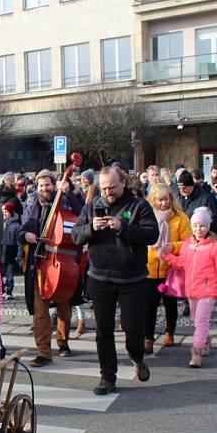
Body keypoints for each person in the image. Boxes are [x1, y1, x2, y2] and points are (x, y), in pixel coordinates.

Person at [72, 166, 158, 395]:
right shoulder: (92, 206)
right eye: (103, 188)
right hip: (100, 277)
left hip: (132, 278)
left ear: (123, 183)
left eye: (111, 187)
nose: (107, 192)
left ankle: (137, 356)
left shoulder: (138, 205)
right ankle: (107, 377)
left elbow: (152, 234)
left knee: (133, 327)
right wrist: (91, 228)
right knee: (103, 331)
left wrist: (123, 227)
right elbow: (75, 235)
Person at [21, 170, 83, 365]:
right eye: (41, 186)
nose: (44, 189)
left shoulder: (66, 201)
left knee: (65, 306)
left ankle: (63, 342)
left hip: (62, 262)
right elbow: (21, 228)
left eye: (48, 185)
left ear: (54, 185)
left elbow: (82, 216)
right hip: (39, 261)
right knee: (41, 310)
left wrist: (69, 194)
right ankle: (44, 352)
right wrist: (26, 236)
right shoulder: (31, 204)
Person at [162, 207, 217, 368]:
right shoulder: (188, 244)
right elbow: (182, 264)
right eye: (195, 226)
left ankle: (196, 352)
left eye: (202, 226)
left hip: (208, 291)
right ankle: (205, 340)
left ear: (208, 226)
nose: (198, 229)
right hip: (192, 290)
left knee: (200, 320)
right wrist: (168, 257)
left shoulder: (215, 247)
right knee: (196, 319)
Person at [143, 184, 190, 353]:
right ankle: (148, 337)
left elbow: (188, 242)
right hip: (150, 267)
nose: (164, 203)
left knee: (170, 305)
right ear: (154, 201)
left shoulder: (180, 218)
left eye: (166, 199)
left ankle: (170, 332)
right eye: (160, 200)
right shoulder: (148, 216)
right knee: (149, 306)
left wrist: (173, 246)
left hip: (170, 268)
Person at [0, 202, 22, 300]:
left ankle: (9, 290)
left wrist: (19, 254)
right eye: (3, 211)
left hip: (11, 251)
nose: (4, 213)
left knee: (9, 274)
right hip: (0, 250)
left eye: (6, 212)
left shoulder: (16, 226)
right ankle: (1, 289)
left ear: (11, 213)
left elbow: (19, 242)